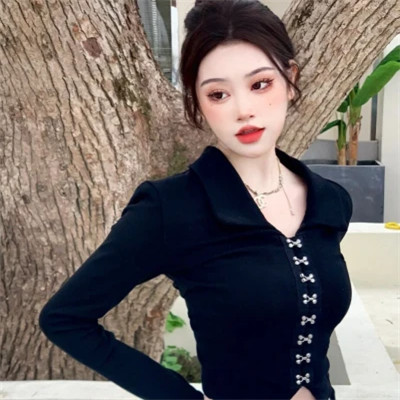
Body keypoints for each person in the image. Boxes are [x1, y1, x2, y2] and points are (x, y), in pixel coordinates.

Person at [38, 1, 353, 399]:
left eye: (260, 84)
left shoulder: (329, 202)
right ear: (198, 102)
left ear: (290, 80)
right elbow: (65, 318)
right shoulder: (171, 207)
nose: (243, 110)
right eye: (218, 94)